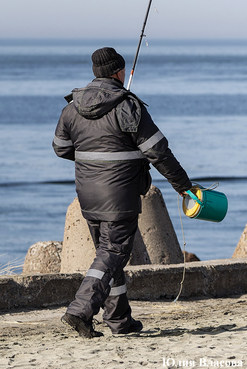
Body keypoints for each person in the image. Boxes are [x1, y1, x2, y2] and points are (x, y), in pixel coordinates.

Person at [53, 47, 193, 338]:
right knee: (113, 253)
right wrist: (184, 186)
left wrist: (94, 160)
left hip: (87, 195)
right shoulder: (128, 106)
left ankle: (119, 320)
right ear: (119, 72)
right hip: (121, 195)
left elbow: (61, 148)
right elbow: (159, 152)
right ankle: (80, 310)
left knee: (108, 257)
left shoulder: (71, 108)